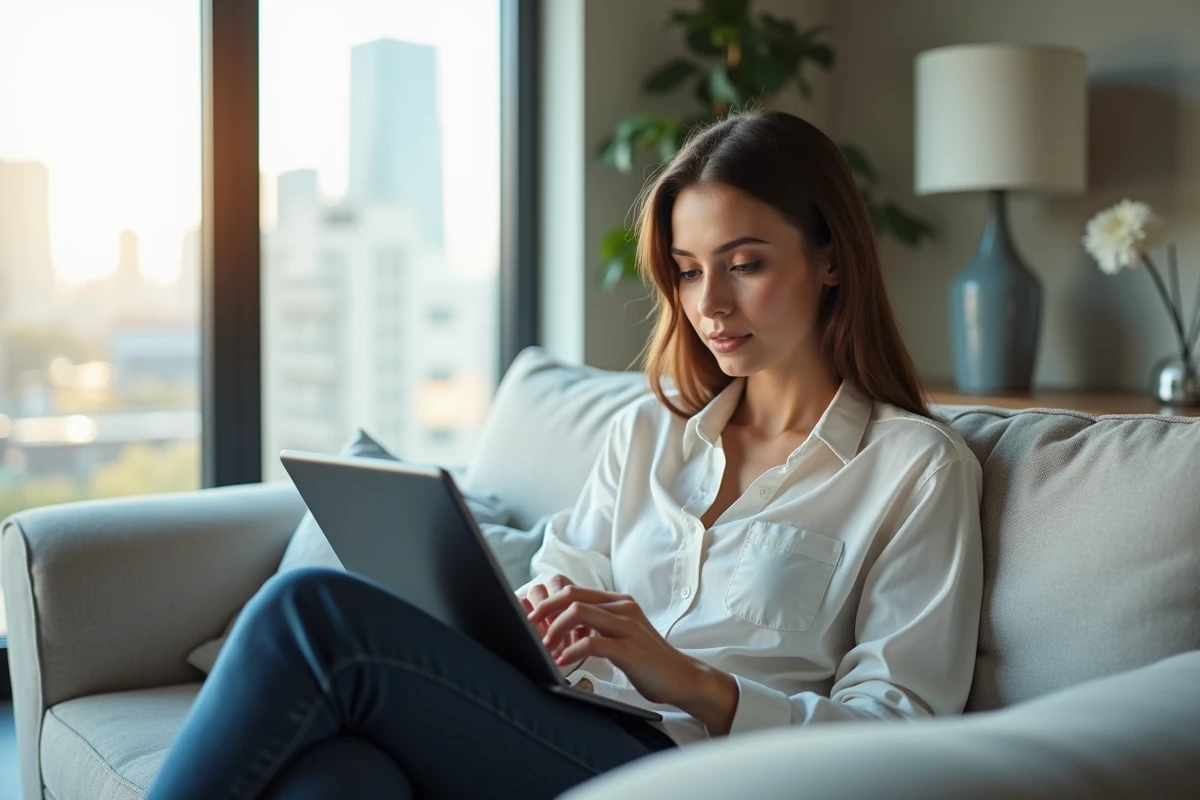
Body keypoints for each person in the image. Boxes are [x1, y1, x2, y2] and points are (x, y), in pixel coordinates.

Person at [147, 109, 983, 800]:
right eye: (688, 273)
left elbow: (899, 737)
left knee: (312, 611)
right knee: (338, 781)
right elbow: (558, 580)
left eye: (746, 265)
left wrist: (687, 678)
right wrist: (535, 621)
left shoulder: (915, 469)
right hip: (562, 731)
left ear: (831, 258)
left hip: (702, 774)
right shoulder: (647, 435)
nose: (711, 305)